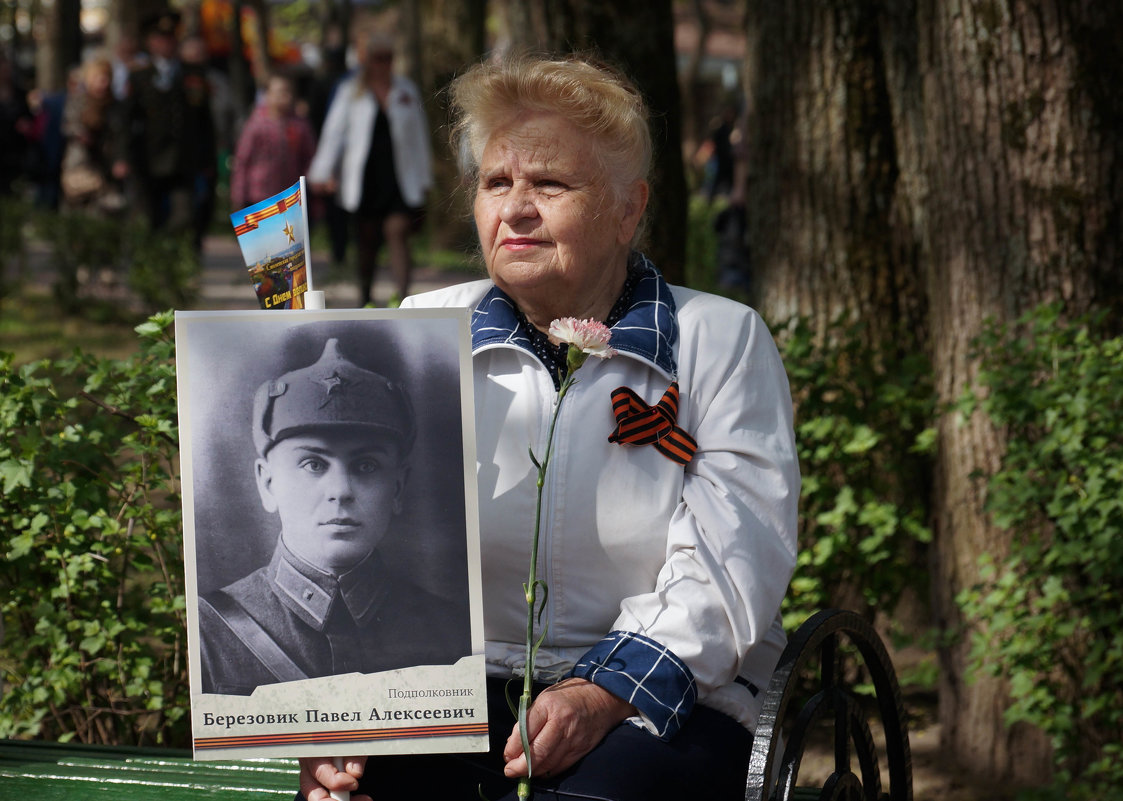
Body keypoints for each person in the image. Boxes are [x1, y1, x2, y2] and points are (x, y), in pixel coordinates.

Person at [298, 53, 799, 801]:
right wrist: (335, 721)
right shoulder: (421, 328)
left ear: (628, 208)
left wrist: (602, 692)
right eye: (496, 183)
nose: (515, 208)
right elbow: (364, 545)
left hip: (666, 700)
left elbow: (732, 568)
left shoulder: (717, 340)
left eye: (550, 184)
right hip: (447, 693)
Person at [197, 335, 471, 696]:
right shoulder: (209, 630)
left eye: (366, 465)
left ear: (398, 488)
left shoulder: (452, 630)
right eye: (313, 464)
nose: (340, 490)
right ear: (267, 483)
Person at [308, 30, 432, 307]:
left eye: (388, 58)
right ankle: (365, 296)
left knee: (397, 231)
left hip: (400, 177)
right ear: (367, 60)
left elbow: (419, 138)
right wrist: (322, 171)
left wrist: (424, 179)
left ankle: (404, 296)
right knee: (367, 241)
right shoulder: (350, 91)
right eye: (378, 58)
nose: (383, 64)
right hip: (365, 178)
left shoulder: (406, 90)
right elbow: (333, 134)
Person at [117, 9, 216, 242]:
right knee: (145, 219)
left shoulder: (193, 75)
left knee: (184, 217)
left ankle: (174, 261)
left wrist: (208, 159)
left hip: (183, 160)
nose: (166, 44)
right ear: (151, 42)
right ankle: (150, 266)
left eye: (170, 38)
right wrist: (122, 157)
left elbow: (205, 122)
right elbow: (124, 121)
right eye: (160, 39)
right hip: (146, 160)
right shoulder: (139, 76)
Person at [229, 72, 316, 211]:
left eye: (288, 91)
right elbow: (242, 160)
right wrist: (238, 195)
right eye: (280, 92)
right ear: (267, 95)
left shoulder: (300, 124)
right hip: (258, 196)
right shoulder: (256, 124)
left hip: (289, 197)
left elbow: (308, 156)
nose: (285, 97)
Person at [59, 55, 125, 215]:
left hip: (106, 166)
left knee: (105, 213)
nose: (103, 83)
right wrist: (80, 134)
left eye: (106, 78)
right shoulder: (78, 101)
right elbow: (67, 125)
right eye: (98, 78)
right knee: (77, 212)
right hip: (81, 166)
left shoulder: (115, 106)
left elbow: (121, 134)